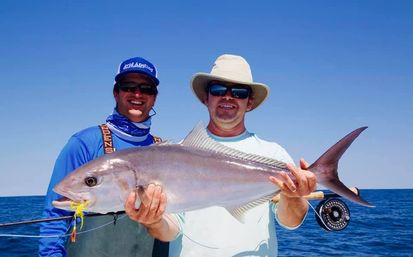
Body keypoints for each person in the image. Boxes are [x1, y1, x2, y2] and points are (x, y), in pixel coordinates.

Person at [168, 54, 317, 256]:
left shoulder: (274, 153)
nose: (228, 97)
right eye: (218, 90)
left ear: (249, 103)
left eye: (239, 92)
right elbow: (171, 226)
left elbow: (290, 222)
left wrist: (292, 198)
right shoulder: (175, 157)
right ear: (206, 98)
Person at [39, 56, 175, 257]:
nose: (137, 94)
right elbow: (54, 217)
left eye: (146, 89)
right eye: (128, 86)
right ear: (116, 92)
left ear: (154, 97)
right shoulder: (85, 143)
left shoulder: (167, 152)